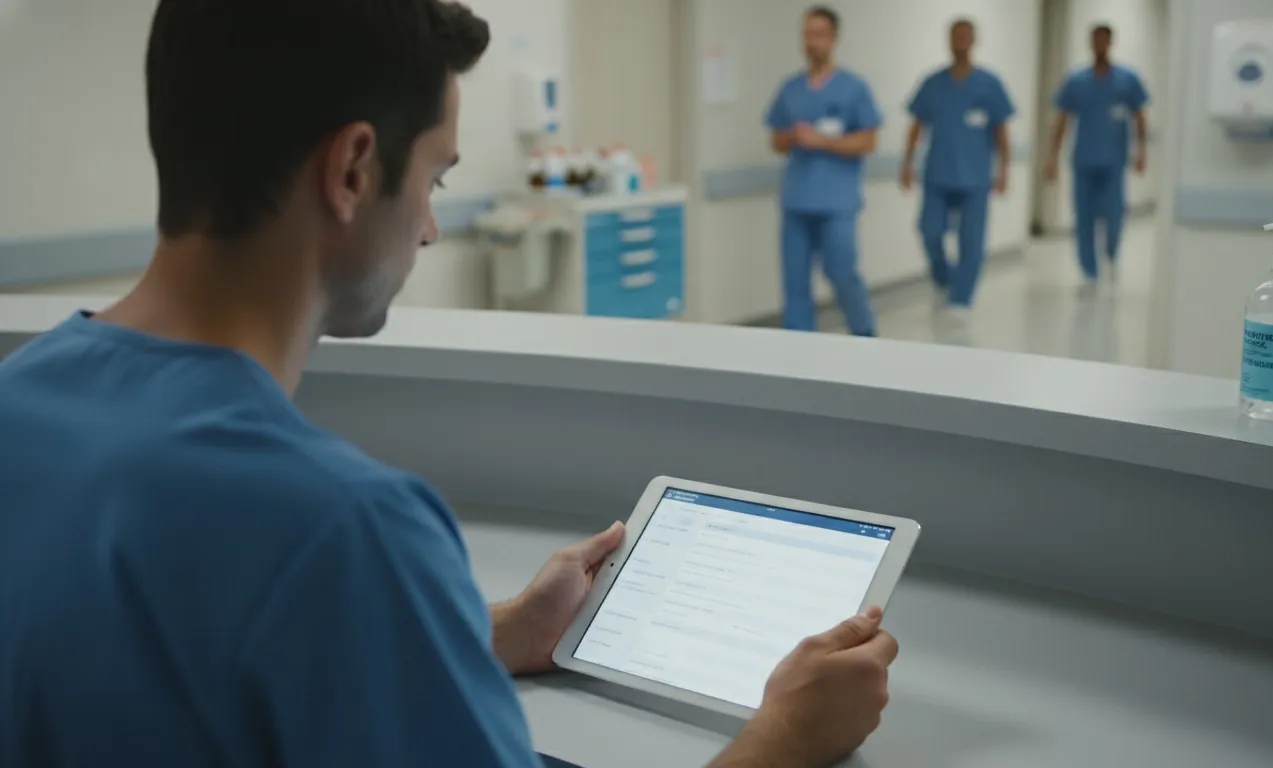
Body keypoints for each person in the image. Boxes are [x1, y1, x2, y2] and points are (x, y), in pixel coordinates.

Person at [0, 1, 901, 767]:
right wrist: (782, 735)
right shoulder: (344, 528)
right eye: (434, 177)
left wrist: (491, 632)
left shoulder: (21, 400)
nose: (430, 228)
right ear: (354, 171)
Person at [765, 5, 882, 337]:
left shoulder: (854, 88)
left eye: (818, 34)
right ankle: (799, 351)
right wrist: (791, 137)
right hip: (797, 200)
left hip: (837, 202)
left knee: (842, 274)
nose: (810, 42)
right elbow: (775, 140)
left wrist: (822, 141)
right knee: (795, 283)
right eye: (806, 34)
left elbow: (868, 141)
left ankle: (865, 336)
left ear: (833, 39)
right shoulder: (790, 89)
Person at [901, 19, 1014, 320]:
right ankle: (944, 278)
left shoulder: (989, 84)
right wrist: (907, 163)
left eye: (966, 36)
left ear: (974, 40)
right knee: (929, 232)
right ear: (949, 41)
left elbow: (1001, 131)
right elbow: (916, 125)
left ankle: (962, 299)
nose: (960, 41)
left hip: (975, 178)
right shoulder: (934, 83)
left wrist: (1004, 170)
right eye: (956, 36)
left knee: (971, 241)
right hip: (938, 175)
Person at [1044, 23, 1150, 286]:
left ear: (1110, 43)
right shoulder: (1077, 81)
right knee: (1084, 217)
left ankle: (1111, 252)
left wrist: (1141, 151)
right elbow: (1061, 121)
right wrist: (1052, 158)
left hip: (1114, 161)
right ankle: (1089, 270)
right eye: (1095, 40)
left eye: (1104, 40)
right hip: (1084, 160)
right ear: (1090, 43)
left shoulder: (1126, 79)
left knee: (1114, 215)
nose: (1099, 45)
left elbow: (1139, 116)